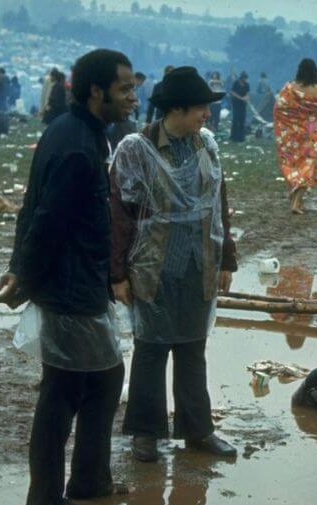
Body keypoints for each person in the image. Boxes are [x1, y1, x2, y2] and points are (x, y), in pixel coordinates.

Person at [0, 48, 137, 505]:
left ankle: (83, 484)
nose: (133, 98)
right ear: (97, 91)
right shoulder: (77, 145)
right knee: (71, 390)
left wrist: (21, 268)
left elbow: (30, 207)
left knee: (86, 383)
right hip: (71, 288)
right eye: (124, 89)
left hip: (74, 282)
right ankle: (52, 497)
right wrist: (26, 280)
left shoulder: (73, 132)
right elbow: (48, 219)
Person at [108, 65, 239, 462]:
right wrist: (116, 275)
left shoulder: (207, 146)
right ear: (176, 110)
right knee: (151, 348)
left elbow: (218, 202)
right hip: (153, 262)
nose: (207, 115)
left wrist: (226, 259)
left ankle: (198, 430)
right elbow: (118, 214)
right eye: (200, 107)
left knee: (192, 348)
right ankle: (146, 433)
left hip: (199, 259)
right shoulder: (137, 148)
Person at [273, 58, 317, 215]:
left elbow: (278, 108)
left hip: (289, 134)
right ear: (315, 72)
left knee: (292, 164)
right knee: (307, 166)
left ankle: (296, 197)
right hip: (309, 134)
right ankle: (296, 203)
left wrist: (288, 125)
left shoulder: (289, 88)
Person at [229, 71, 250, 142]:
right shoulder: (236, 83)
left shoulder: (247, 85)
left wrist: (246, 98)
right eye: (244, 78)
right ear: (241, 78)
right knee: (235, 119)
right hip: (236, 103)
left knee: (242, 119)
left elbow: (247, 93)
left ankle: (241, 137)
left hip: (243, 104)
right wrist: (241, 98)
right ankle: (233, 136)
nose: (245, 80)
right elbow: (232, 92)